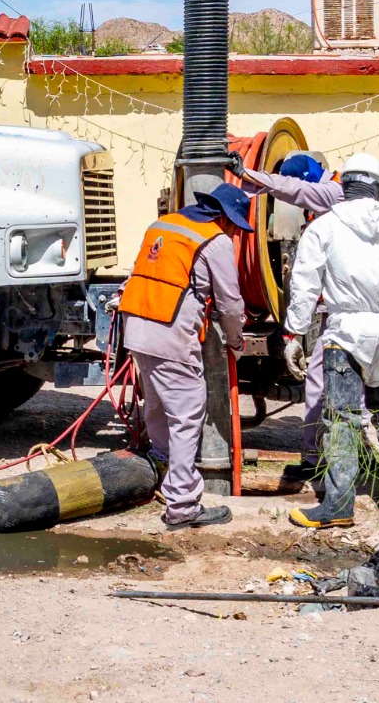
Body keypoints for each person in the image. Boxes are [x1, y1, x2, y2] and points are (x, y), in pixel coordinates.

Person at [283, 153, 379, 529]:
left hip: (346, 333)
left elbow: (304, 285)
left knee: (342, 420)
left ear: (344, 185)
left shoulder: (324, 227)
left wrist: (295, 333)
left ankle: (338, 505)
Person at [119, 182, 254, 531]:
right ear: (225, 218)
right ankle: (181, 504)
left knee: (157, 405)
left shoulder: (163, 225)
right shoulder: (215, 241)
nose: (234, 232)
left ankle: (162, 465)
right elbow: (229, 301)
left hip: (136, 328)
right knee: (187, 413)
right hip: (170, 335)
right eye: (235, 225)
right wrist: (237, 340)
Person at [238, 152, 345, 484]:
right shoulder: (345, 202)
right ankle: (322, 459)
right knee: (329, 385)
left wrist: (247, 174)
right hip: (349, 313)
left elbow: (292, 191)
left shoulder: (333, 194)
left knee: (334, 386)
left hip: (344, 316)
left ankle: (328, 463)